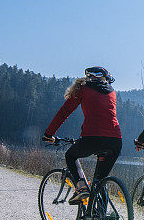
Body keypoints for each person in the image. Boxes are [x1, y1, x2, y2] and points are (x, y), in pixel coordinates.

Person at [42, 67, 122, 208]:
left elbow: (63, 113)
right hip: (115, 141)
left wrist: (49, 134)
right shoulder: (112, 92)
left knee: (70, 156)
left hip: (92, 138)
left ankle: (81, 187)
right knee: (100, 181)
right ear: (104, 79)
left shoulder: (83, 90)